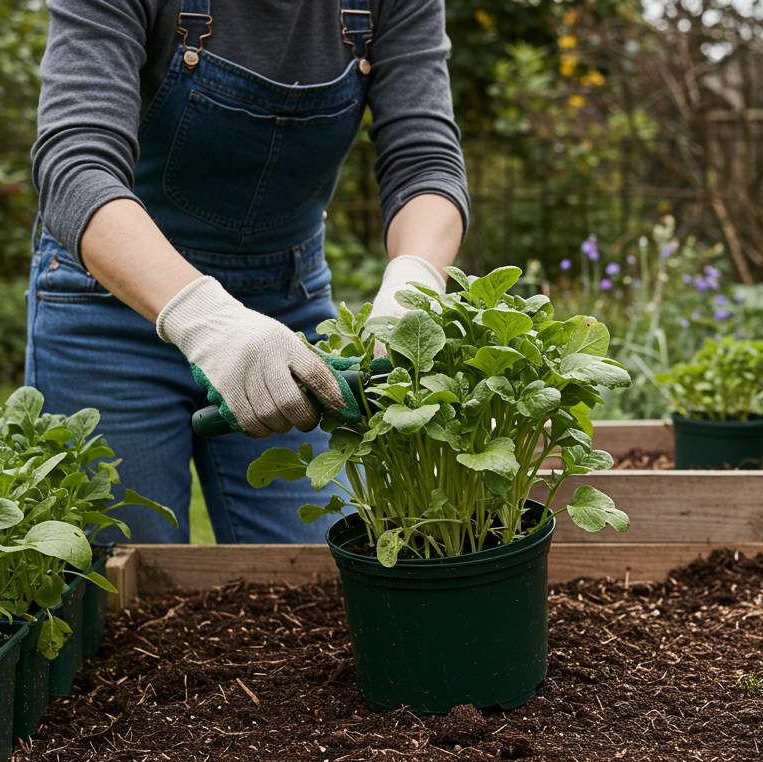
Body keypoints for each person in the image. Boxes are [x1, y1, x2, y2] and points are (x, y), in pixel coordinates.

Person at [27, 0, 468, 544]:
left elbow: (425, 162)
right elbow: (75, 167)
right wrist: (206, 318)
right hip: (108, 307)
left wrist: (412, 283)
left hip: (285, 306)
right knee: (121, 568)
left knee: (317, 569)